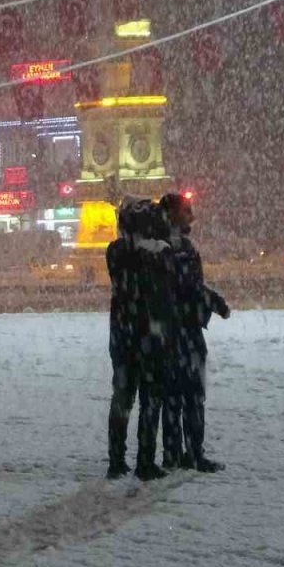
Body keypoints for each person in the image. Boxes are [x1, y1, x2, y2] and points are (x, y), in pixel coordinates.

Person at [108, 193, 186, 481]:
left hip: (122, 335)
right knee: (150, 399)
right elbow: (165, 289)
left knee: (122, 398)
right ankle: (144, 459)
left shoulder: (115, 251)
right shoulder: (156, 254)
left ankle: (116, 459)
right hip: (148, 336)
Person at [161, 210, 230, 472]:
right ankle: (193, 453)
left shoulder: (157, 249)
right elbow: (191, 286)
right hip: (186, 332)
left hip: (166, 333)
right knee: (192, 397)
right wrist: (215, 303)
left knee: (172, 398)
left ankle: (172, 453)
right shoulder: (182, 250)